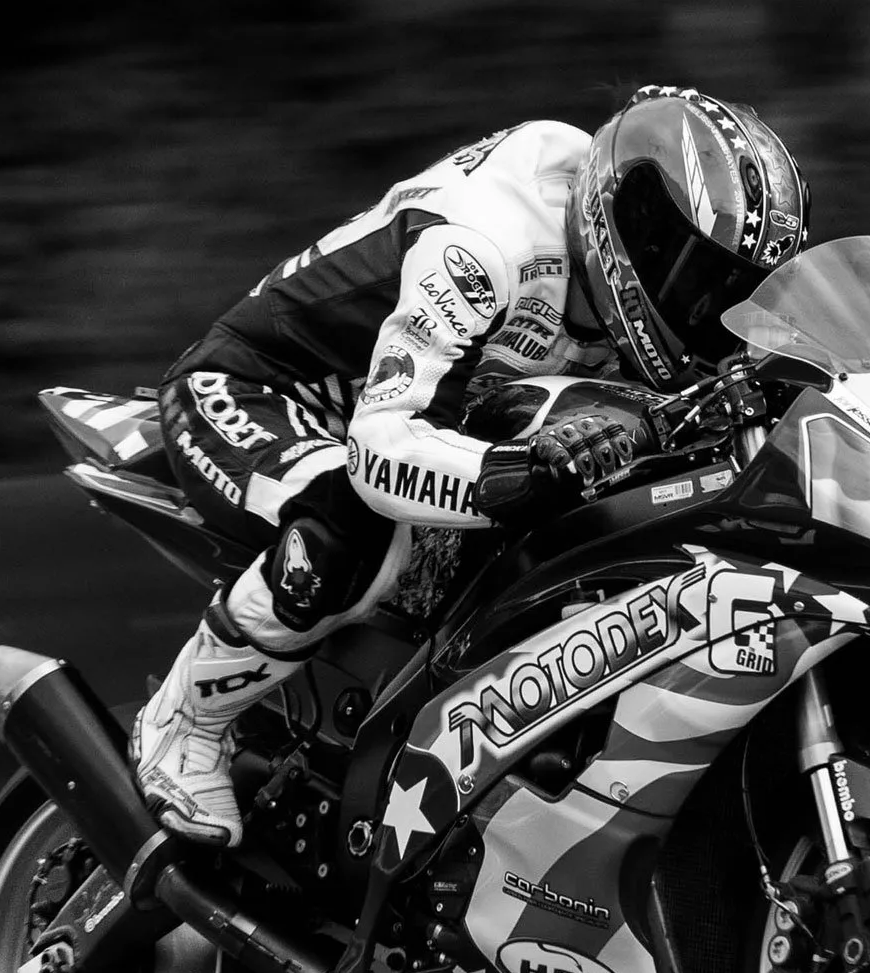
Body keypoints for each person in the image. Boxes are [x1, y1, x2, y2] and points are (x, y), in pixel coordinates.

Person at [133, 85, 810, 846]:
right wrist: (522, 474)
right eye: (694, 275)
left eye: (732, 288)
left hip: (430, 415)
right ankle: (185, 718)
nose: (705, 306)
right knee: (362, 524)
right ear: (632, 225)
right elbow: (381, 453)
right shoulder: (487, 244)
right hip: (262, 393)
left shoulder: (610, 275)